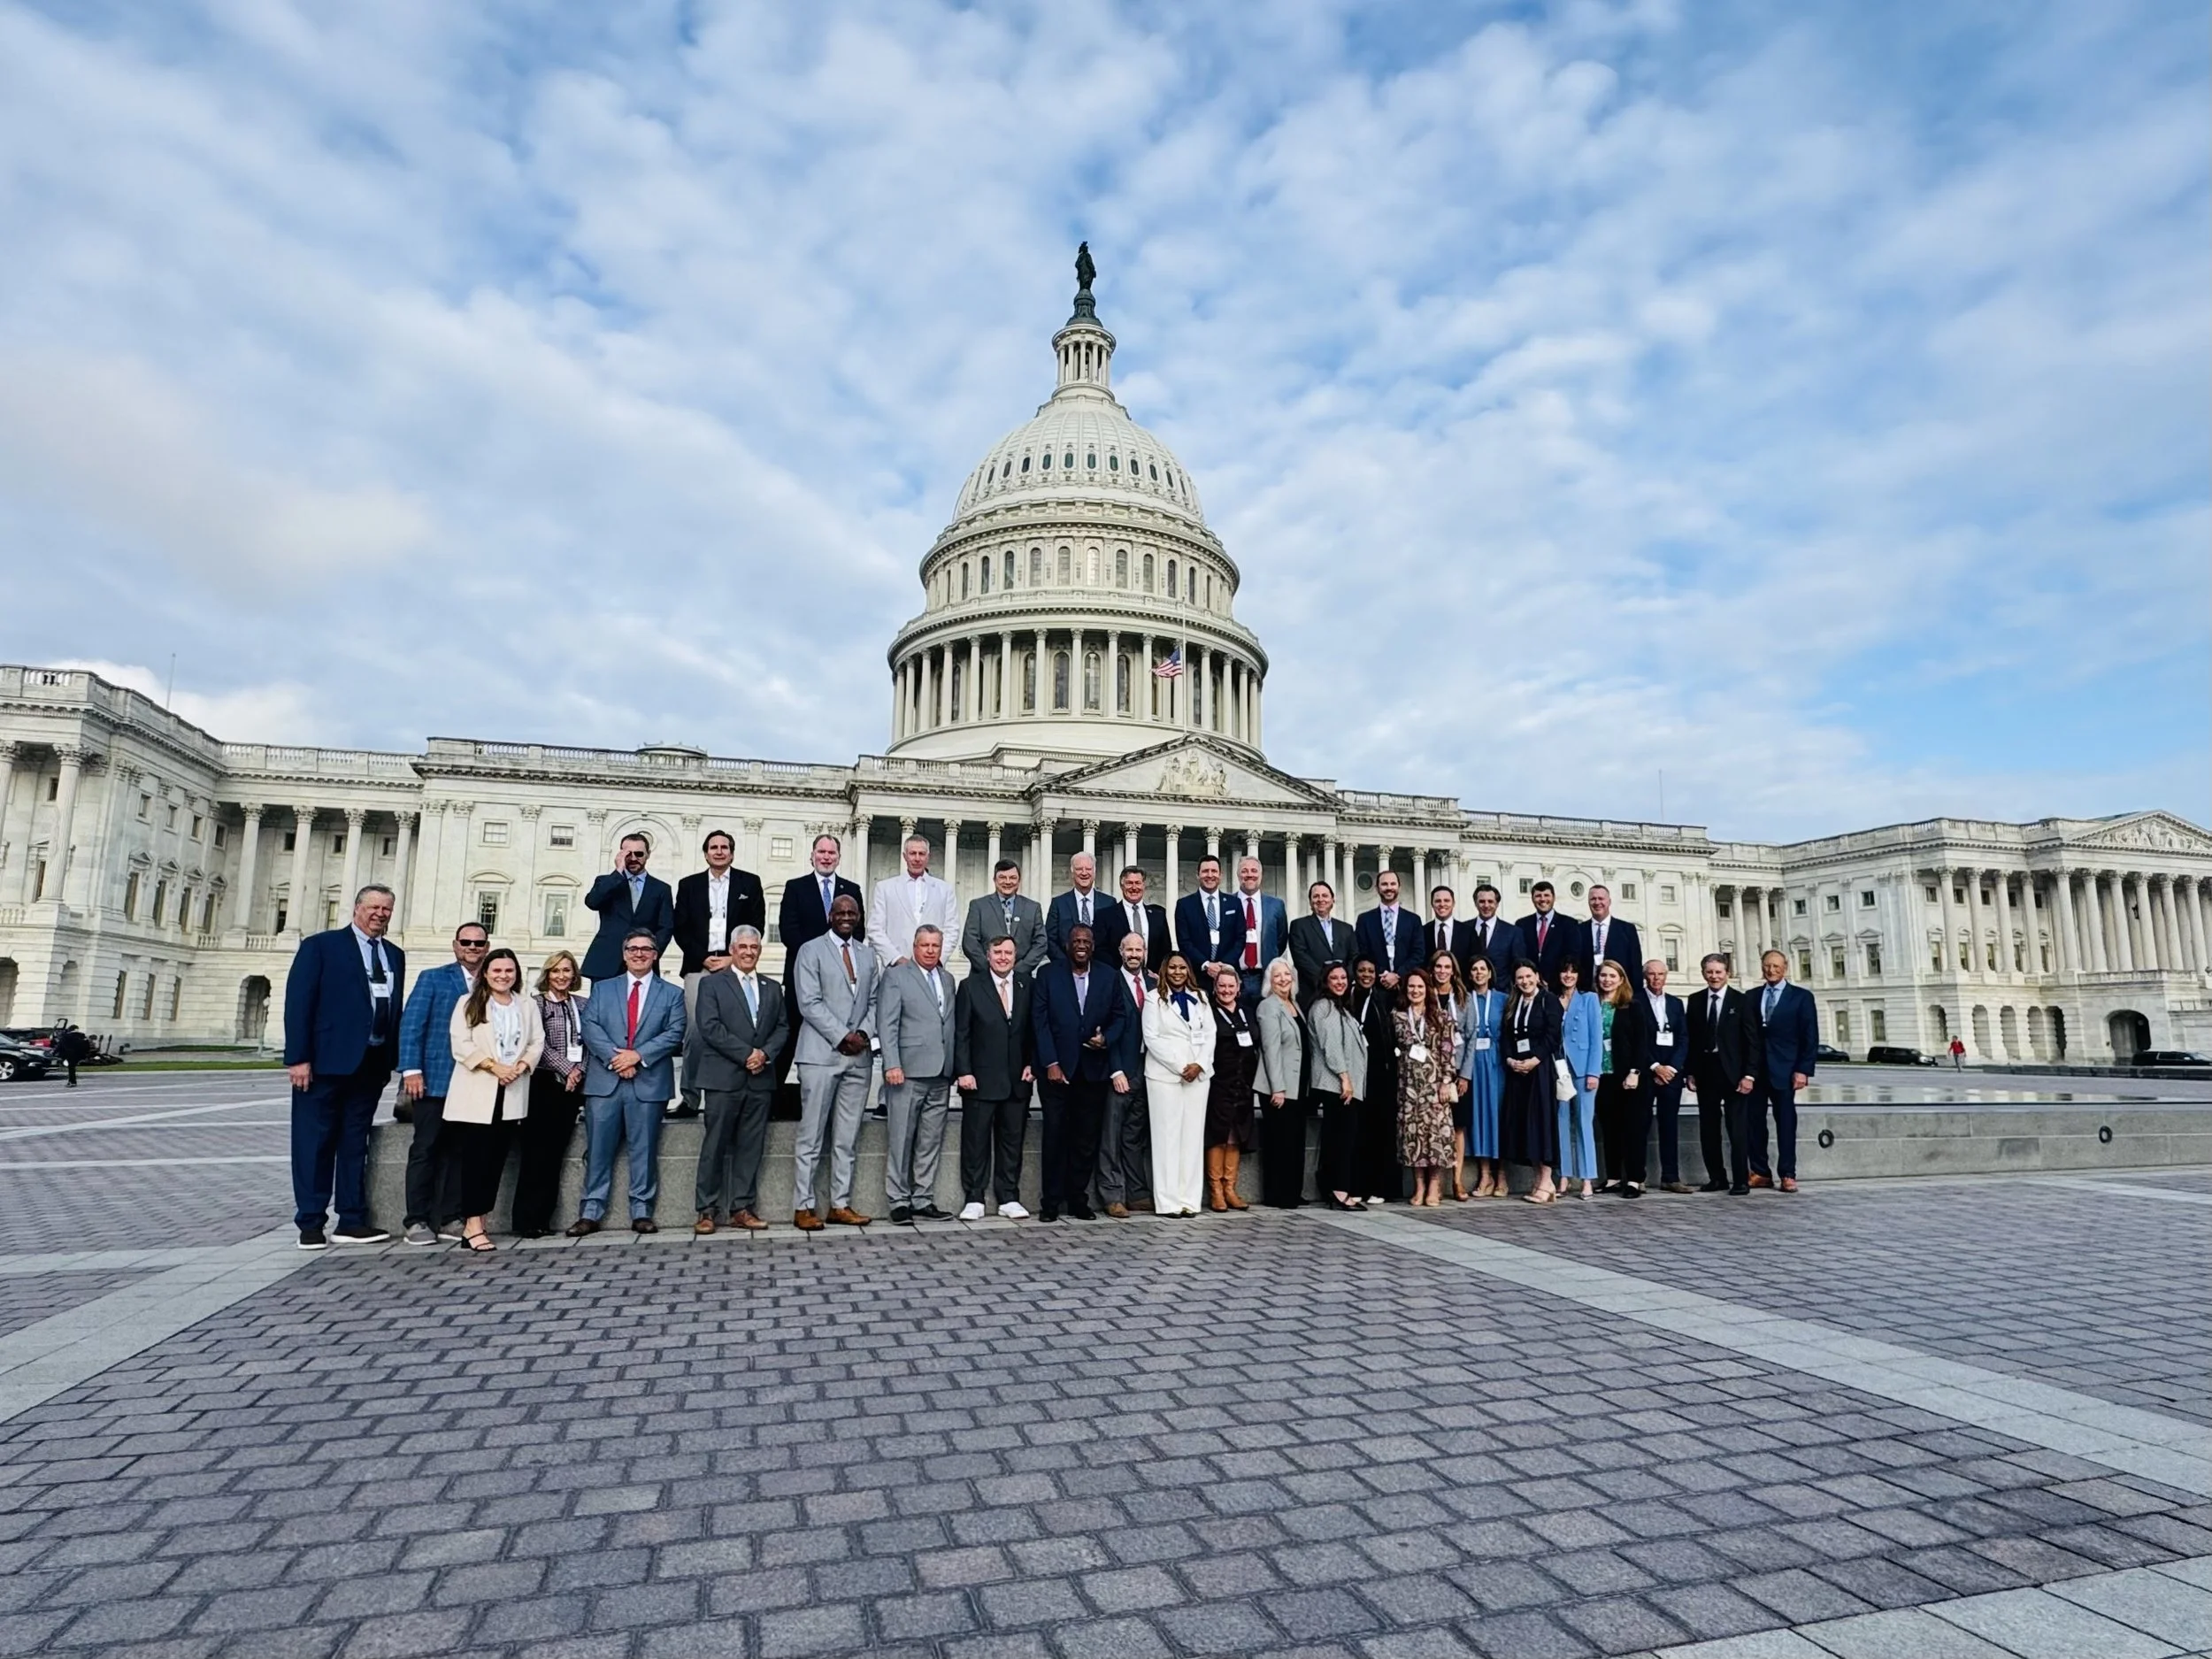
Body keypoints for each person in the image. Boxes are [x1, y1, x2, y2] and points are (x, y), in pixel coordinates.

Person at [282, 883, 404, 1248]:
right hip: (323, 1064)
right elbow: (298, 1004)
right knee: (314, 1144)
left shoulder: (394, 954)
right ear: (356, 909)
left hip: (370, 1064)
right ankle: (311, 1222)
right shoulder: (321, 947)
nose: (379, 914)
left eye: (386, 909)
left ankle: (351, 1219)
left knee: (355, 1144)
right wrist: (298, 1058)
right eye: (373, 907)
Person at [568, 929, 686, 1234]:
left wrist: (638, 1056)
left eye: (646, 949)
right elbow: (590, 1026)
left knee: (644, 1150)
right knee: (597, 1150)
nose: (639, 954)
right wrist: (616, 1059)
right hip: (605, 1082)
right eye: (632, 948)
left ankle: (641, 1211)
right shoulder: (603, 989)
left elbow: (674, 1033)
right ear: (624, 954)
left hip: (648, 1082)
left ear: (655, 955)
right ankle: (591, 1211)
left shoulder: (672, 993)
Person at [443, 947, 543, 1251]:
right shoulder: (469, 1002)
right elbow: (460, 1044)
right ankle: (472, 1226)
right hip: (478, 1092)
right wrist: (493, 1066)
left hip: (511, 1091)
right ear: (485, 973)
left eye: (509, 971)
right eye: (497, 971)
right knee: (476, 1162)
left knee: (496, 1161)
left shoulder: (526, 1004)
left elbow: (536, 1041)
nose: (503, 976)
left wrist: (521, 1066)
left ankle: (480, 1222)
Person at [789, 894, 879, 1230]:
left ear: (859, 917)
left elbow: (874, 1000)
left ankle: (839, 1204)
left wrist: (864, 1035)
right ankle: (803, 1205)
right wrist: (842, 1036)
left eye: (851, 913)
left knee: (847, 1137)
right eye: (840, 912)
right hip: (820, 1056)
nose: (845, 917)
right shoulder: (810, 951)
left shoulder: (868, 955)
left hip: (858, 1059)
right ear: (830, 915)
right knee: (811, 1136)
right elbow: (809, 1003)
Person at [396, 921, 488, 1246]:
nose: (472, 948)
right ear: (455, 945)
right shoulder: (433, 978)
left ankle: (452, 1217)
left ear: (486, 948)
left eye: (479, 944)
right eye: (467, 942)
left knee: (460, 1153)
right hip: (434, 1080)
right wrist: (410, 1069)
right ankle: (416, 1219)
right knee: (426, 1149)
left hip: (474, 1083)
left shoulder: (492, 982)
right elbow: (412, 1025)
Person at [691, 926, 785, 1233]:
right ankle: (707, 1210)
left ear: (760, 950)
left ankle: (741, 1208)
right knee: (715, 1145)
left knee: (750, 1146)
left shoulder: (772, 987)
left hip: (760, 1079)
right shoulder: (713, 985)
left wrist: (765, 1055)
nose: (748, 952)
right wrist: (747, 1054)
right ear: (732, 949)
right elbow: (709, 1026)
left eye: (754, 947)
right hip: (723, 1077)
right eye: (742, 947)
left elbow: (782, 1028)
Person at [1031, 922, 1125, 1222]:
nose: (1081, 945)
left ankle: (1077, 1199)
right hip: (1057, 1072)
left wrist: (1106, 1039)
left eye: (1086, 940)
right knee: (1055, 1137)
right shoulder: (1047, 975)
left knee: (1085, 1140)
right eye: (1076, 941)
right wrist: (1051, 1063)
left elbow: (1120, 1016)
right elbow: (1040, 1023)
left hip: (1092, 1071)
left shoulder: (1109, 976)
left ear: (1093, 946)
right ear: (1068, 946)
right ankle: (1051, 1202)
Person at [672, 829, 766, 1118]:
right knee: (696, 1033)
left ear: (732, 853)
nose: (719, 851)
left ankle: (732, 1095)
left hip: (735, 967)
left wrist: (731, 959)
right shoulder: (689, 885)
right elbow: (681, 928)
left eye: (725, 847)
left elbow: (756, 926)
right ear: (706, 853)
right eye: (714, 847)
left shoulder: (749, 883)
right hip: (699, 968)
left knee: (737, 1030)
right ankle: (689, 1098)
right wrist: (704, 957)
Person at [878, 925, 958, 1223]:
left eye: (935, 946)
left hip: (940, 1073)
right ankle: (898, 1200)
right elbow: (887, 1023)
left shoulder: (948, 979)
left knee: (930, 1140)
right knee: (900, 1138)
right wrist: (892, 1064)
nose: (930, 950)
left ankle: (922, 1198)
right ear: (914, 946)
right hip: (907, 1072)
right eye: (924, 945)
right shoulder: (897, 976)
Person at [775, 834, 864, 1096]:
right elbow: (788, 931)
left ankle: (832, 1091)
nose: (826, 857)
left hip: (840, 981)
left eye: (831, 852)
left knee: (835, 1032)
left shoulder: (851, 889)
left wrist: (835, 965)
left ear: (838, 857)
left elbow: (857, 933)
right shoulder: (795, 887)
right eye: (821, 852)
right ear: (812, 855)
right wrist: (818, 961)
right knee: (791, 1033)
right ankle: (775, 1094)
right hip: (800, 976)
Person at [953, 934, 1033, 1220]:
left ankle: (1008, 1197)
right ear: (987, 956)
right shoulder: (970, 987)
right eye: (997, 952)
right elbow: (961, 1033)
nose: (1003, 957)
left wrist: (1032, 1063)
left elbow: (1034, 1029)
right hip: (979, 1080)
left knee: (1012, 1142)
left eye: (1008, 953)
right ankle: (974, 1197)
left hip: (1017, 1080)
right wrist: (963, 1071)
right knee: (976, 1142)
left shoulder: (1027, 985)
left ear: (1016, 956)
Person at [513, 950, 587, 1239]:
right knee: (535, 1155)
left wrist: (579, 1070)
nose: (561, 976)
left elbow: (590, 1040)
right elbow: (536, 1044)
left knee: (555, 1154)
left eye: (567, 971)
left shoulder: (583, 1004)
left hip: (571, 1088)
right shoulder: (535, 1005)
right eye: (556, 971)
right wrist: (567, 1068)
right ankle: (525, 1218)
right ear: (547, 974)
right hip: (543, 1084)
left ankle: (545, 1217)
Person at [1141, 952, 1216, 1217]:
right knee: (1167, 1139)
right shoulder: (1154, 999)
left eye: (1182, 968)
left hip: (1198, 1076)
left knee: (1192, 1139)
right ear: (1164, 970)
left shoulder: (1202, 998)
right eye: (1172, 967)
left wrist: (1199, 1064)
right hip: (1165, 1076)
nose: (1177, 972)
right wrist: (1180, 1066)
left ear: (1189, 971)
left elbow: (1210, 1035)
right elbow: (1152, 1038)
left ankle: (1189, 1200)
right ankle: (1168, 1202)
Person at [1686, 953, 1763, 1195]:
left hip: (1734, 1074)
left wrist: (1749, 1075)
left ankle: (1741, 1180)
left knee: (1737, 1130)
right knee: (1708, 1130)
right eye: (1710, 972)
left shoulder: (1742, 1001)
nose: (1714, 976)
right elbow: (1691, 1040)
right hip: (1706, 1071)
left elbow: (1753, 1041)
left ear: (1727, 973)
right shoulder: (1695, 1000)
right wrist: (1690, 1072)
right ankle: (1717, 1177)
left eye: (1719, 972)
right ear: (1703, 974)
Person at [1748, 949, 1819, 1193]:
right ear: (1762, 968)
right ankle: (1760, 1172)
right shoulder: (1751, 996)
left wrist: (1803, 1070)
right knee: (1754, 1123)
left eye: (1776, 966)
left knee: (1786, 1124)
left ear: (1785, 967)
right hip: (1756, 1072)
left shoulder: (1801, 997)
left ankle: (1788, 1174)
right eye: (1767, 966)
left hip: (1786, 1070)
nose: (1771, 970)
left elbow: (1809, 1037)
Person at [1097, 932, 1156, 1217]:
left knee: (1135, 1135)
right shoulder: (1109, 981)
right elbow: (1107, 1027)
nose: (1134, 954)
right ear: (1120, 951)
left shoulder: (1155, 983)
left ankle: (1137, 1193)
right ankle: (1112, 1193)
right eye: (1128, 949)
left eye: (1138, 949)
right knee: (1111, 1133)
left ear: (1145, 952)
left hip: (1150, 1069)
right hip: (1121, 1068)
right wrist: (1115, 1069)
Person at [1500, 960, 1563, 1203]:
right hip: (1518, 1071)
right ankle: (1538, 1180)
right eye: (1520, 978)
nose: (1524, 981)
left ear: (1537, 976)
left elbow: (1553, 1035)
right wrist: (1510, 1059)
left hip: (1540, 1070)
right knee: (1527, 1125)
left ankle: (1547, 1181)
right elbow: (1506, 1035)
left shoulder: (1549, 1000)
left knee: (1542, 1122)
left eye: (1528, 976)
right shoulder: (1513, 1002)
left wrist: (1534, 1060)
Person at [1394, 968, 1458, 1207]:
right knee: (1413, 1138)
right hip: (1409, 1087)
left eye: (1420, 986)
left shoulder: (1441, 1017)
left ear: (1427, 989)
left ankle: (1434, 1185)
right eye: (1411, 986)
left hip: (1434, 1087)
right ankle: (1419, 1187)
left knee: (1435, 1138)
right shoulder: (1398, 1016)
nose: (1415, 990)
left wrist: (1446, 1081)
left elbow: (1449, 1052)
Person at [1306, 963, 1367, 1210]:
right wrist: (1345, 1078)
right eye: (1334, 978)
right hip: (1336, 1086)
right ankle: (1339, 1191)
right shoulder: (1324, 1007)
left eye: (1344, 977)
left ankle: (1340, 1188)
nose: (1340, 982)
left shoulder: (1341, 1008)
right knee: (1340, 1140)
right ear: (1325, 981)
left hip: (1345, 1085)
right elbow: (1331, 1046)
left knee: (1344, 1139)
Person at [581, 833, 675, 986]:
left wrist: (650, 952)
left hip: (643, 963)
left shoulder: (661, 889)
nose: (633, 858)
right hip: (606, 961)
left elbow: (666, 926)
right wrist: (618, 872)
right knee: (604, 1009)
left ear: (648, 855)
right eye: (628, 854)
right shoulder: (607, 881)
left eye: (639, 854)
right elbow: (592, 902)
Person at [1254, 959, 1311, 1208]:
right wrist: (1278, 1087)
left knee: (1295, 1141)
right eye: (1277, 976)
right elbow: (1270, 1049)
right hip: (1279, 1088)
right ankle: (1278, 1194)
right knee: (1280, 1142)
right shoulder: (1269, 1007)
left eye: (1287, 974)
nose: (1283, 979)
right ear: (1270, 980)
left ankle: (1293, 1191)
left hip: (1298, 1085)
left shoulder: (1294, 1005)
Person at [1202, 965, 1257, 1211]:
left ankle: (1230, 1188)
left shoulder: (1247, 1012)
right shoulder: (1209, 1012)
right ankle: (1216, 1191)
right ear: (1215, 989)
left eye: (1231, 986)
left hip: (1243, 1084)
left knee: (1236, 1136)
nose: (1226, 990)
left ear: (1238, 988)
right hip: (1219, 1084)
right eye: (1222, 986)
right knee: (1218, 1136)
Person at [1636, 960, 1691, 1194]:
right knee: (1640, 1125)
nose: (1657, 979)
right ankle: (1637, 1177)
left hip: (1672, 1075)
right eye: (1652, 974)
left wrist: (1672, 1068)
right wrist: (1655, 1066)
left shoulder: (1676, 1003)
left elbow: (1683, 1038)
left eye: (1661, 974)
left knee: (1669, 1126)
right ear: (1645, 976)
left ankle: (1671, 1176)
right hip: (1647, 1073)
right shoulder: (1634, 1001)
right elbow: (1636, 1040)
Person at [1351, 958, 1401, 1203]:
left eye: (1371, 971)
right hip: (1356, 1075)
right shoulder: (1348, 998)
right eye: (1362, 971)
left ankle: (1381, 1187)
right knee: (1359, 1133)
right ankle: (1358, 1184)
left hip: (1381, 1076)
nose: (1366, 975)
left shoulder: (1382, 999)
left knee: (1381, 1132)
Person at [869, 833, 959, 967]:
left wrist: (938, 959)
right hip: (896, 968)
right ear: (904, 856)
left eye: (922, 854)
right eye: (912, 853)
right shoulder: (885, 888)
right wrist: (896, 958)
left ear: (928, 857)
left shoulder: (945, 890)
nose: (917, 858)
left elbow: (952, 929)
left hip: (932, 968)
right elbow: (875, 929)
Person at [1592, 960, 1642, 1195]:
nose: (1607, 980)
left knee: (1631, 1128)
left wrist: (1635, 1072)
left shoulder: (1632, 1006)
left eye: (1612, 976)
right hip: (1602, 1074)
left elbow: (1641, 1043)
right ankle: (1612, 1177)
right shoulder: (1592, 1005)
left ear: (1621, 979)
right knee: (1608, 1128)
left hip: (1626, 1076)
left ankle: (1633, 1179)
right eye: (1603, 976)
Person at [1456, 956, 1506, 1197]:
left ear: (1490, 973)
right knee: (1478, 1118)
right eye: (1474, 969)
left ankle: (1502, 1176)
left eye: (1482, 969)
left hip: (1496, 1063)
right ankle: (1485, 1175)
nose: (1478, 973)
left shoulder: (1503, 999)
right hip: (1473, 1063)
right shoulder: (1464, 1000)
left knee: (1498, 1116)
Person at [1555, 960, 1602, 1198]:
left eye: (1573, 971)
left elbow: (1597, 1037)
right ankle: (1564, 1176)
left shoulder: (1589, 999)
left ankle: (1587, 1179)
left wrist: (1594, 1071)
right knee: (1561, 1122)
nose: (1568, 974)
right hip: (1559, 1069)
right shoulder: (1552, 999)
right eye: (1565, 970)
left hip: (1584, 1069)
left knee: (1584, 1124)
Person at [961, 858, 1048, 976]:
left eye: (1012, 878)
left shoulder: (1033, 908)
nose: (1008, 882)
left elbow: (1041, 943)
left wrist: (1018, 970)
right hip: (984, 978)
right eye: (1002, 877)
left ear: (1019, 881)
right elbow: (970, 942)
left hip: (1020, 979)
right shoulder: (978, 906)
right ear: (995, 880)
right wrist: (992, 970)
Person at [1430, 951, 1470, 1199]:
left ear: (1453, 971)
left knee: (1457, 1127)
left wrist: (1465, 1075)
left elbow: (1472, 1037)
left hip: (1458, 1072)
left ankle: (1457, 1181)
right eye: (1438, 967)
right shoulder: (1427, 996)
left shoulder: (1464, 999)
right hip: (1432, 1073)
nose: (1442, 971)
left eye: (1447, 967)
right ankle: (1437, 1183)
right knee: (1434, 1127)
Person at [1173, 855, 1245, 987]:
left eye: (1214, 871)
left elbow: (1240, 938)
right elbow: (1184, 941)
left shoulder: (1234, 903)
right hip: (1197, 976)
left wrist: (1224, 966)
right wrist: (1206, 965)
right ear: (1198, 875)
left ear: (1220, 875)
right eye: (1205, 871)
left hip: (1228, 977)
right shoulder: (1184, 905)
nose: (1210, 875)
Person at [1232, 856, 1288, 1009]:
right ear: (1238, 875)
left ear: (1261, 875)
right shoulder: (1228, 903)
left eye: (1254, 871)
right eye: (1244, 871)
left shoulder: (1276, 905)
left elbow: (1281, 939)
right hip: (1236, 977)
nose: (1249, 874)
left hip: (1265, 977)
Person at [1356, 870, 1424, 995]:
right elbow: (1362, 952)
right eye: (1384, 884)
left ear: (1399, 887)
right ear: (1377, 888)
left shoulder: (1413, 920)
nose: (1389, 888)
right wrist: (1384, 974)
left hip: (1406, 986)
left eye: (1393, 884)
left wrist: (1398, 975)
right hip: (1376, 985)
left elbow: (1418, 953)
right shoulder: (1364, 920)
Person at [1288, 881, 1356, 1004]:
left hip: (1343, 993)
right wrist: (1325, 981)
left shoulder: (1346, 929)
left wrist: (1343, 979)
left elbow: (1354, 957)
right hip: (1312, 992)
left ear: (1332, 900)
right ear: (1310, 902)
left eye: (1325, 895)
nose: (1320, 900)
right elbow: (1300, 957)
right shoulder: (1299, 925)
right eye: (1316, 896)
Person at [1094, 864, 1170, 974]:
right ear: (1122, 886)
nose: (1134, 888)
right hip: (1117, 980)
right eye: (1129, 883)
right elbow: (1100, 951)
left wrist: (1158, 975)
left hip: (1152, 980)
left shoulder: (1158, 915)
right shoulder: (1105, 915)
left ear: (1144, 885)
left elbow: (1165, 950)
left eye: (1138, 883)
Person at [1516, 880, 1583, 988]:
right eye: (1538, 896)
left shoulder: (1569, 924)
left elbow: (1572, 956)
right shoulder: (1522, 924)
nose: (1542, 899)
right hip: (1529, 985)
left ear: (1554, 898)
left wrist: (1554, 979)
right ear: (1532, 899)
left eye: (1546, 895)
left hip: (1558, 986)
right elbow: (1520, 955)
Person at [1045, 852, 1103, 964]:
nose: (1084, 873)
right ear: (1072, 873)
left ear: (1094, 872)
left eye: (1088, 869)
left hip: (1101, 970)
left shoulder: (1109, 902)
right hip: (1065, 968)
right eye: (1079, 869)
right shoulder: (1058, 903)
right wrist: (1067, 964)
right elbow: (1050, 940)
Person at [1581, 886, 1643, 987]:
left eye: (1601, 898)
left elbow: (1635, 966)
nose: (1597, 902)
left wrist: (1636, 996)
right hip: (1587, 992)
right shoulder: (1579, 930)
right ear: (1588, 902)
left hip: (1618, 992)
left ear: (1609, 901)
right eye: (1593, 899)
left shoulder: (1627, 930)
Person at [1467, 882, 1525, 987]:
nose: (1486, 905)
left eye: (1490, 901)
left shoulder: (1513, 932)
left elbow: (1518, 966)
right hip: (1470, 992)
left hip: (1502, 994)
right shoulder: (1464, 929)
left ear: (1497, 904)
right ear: (1475, 903)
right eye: (1482, 901)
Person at [1426, 887, 1475, 980]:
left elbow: (1473, 961)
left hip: (1461, 987)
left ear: (1453, 904)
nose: (1442, 904)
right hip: (1430, 989)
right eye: (1438, 901)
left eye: (1446, 900)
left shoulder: (1468, 932)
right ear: (1432, 904)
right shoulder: (1423, 931)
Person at [54, 1022, 89, 1087]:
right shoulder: (82, 1036)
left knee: (71, 1068)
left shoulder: (66, 1036)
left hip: (69, 1054)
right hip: (79, 1054)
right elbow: (87, 1045)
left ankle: (72, 1081)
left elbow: (60, 1045)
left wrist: (54, 1052)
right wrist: (85, 1053)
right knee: (72, 1067)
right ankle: (72, 1081)